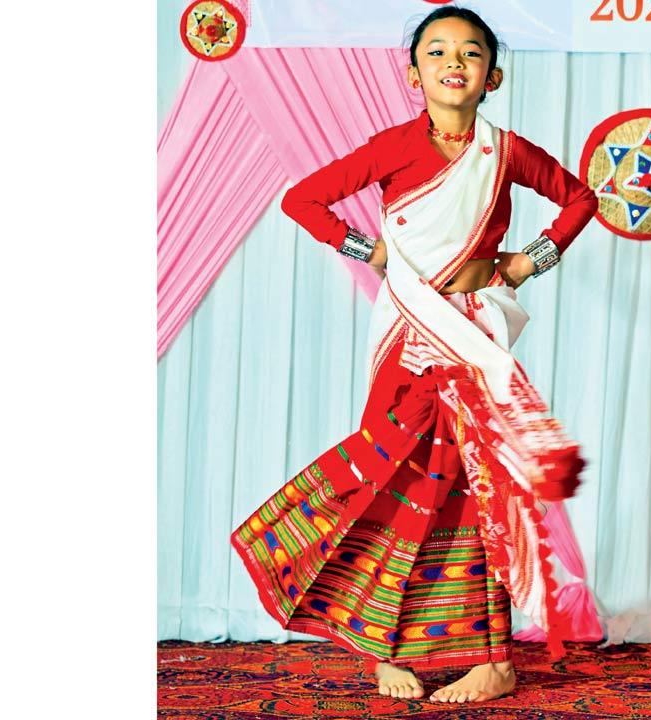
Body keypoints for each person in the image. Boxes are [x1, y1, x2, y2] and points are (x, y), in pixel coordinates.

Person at [230, 5, 598, 704]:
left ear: (493, 76)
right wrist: (367, 250)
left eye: (470, 52)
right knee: (385, 478)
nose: (453, 61)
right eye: (437, 51)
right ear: (413, 73)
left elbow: (581, 199)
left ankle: (493, 659)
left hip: (472, 333)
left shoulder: (508, 152)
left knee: (478, 488)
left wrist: (526, 263)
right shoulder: (392, 146)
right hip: (405, 335)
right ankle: (381, 650)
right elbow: (302, 199)